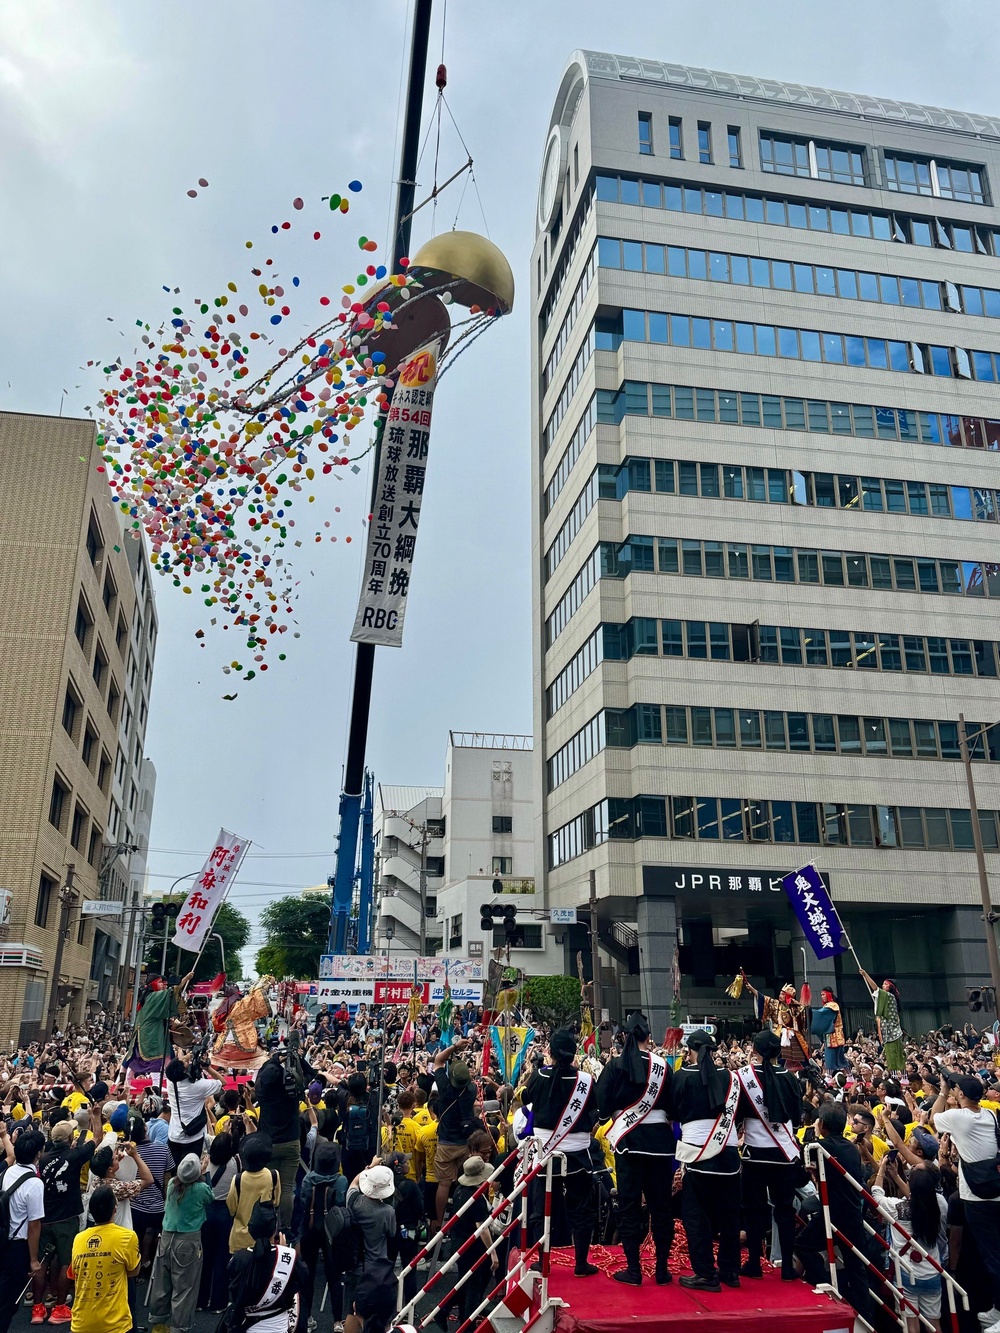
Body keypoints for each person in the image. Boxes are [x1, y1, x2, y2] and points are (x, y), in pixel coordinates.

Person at [595, 1011, 673, 1286]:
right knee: (661, 1208)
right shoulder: (664, 1065)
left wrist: (612, 1116)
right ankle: (662, 1269)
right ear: (648, 1037)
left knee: (628, 1207)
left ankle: (634, 1269)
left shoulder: (616, 1066)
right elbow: (672, 1106)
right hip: (661, 1145)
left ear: (626, 1036)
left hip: (629, 1143)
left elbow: (602, 1104)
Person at [523, 1028, 598, 1278]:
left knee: (540, 1208)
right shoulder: (586, 1080)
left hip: (545, 1151)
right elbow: (594, 1109)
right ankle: (580, 1263)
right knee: (581, 1208)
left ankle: (542, 1261)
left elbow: (525, 1098)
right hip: (577, 1152)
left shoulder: (540, 1076)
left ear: (551, 1053)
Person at [672, 1029, 741, 1292]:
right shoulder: (730, 1078)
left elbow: (674, 1111)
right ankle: (730, 1271)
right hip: (729, 1153)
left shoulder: (680, 1077)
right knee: (730, 1216)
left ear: (690, 1050)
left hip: (697, 1153)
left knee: (696, 1216)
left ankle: (705, 1273)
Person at [931, 1074, 1000, 1332]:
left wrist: (942, 1090)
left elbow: (930, 1117)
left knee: (992, 1255)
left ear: (960, 1093)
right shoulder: (989, 1115)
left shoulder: (959, 1118)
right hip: (994, 1187)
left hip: (976, 1198)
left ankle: (999, 1310)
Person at [736, 1029, 803, 1281]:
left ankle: (754, 1262)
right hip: (783, 1155)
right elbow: (796, 1117)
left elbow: (739, 1113)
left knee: (753, 1210)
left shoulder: (745, 1077)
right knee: (784, 1211)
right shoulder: (790, 1078)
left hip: (754, 1155)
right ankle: (787, 1267)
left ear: (755, 1050)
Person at [796, 1101, 872, 1322]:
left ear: (823, 1125)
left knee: (801, 1245)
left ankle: (826, 1285)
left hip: (834, 1213)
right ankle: (866, 1317)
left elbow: (802, 1175)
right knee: (857, 1268)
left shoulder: (819, 1148)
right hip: (853, 1212)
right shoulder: (851, 1147)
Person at [34, 1117, 97, 1323]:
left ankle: (37, 1308)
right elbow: (96, 1138)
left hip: (44, 1218)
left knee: (42, 1263)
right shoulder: (74, 1155)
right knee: (65, 1263)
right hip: (67, 1219)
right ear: (69, 1137)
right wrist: (94, 1118)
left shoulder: (42, 1158)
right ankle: (60, 1308)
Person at [148, 1152, 212, 1333]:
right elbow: (211, 1197)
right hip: (188, 1240)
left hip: (166, 1237)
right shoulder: (200, 1188)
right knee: (184, 1289)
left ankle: (158, 1325)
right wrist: (205, 1173)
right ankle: (178, 1328)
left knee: (162, 1284)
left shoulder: (171, 1184)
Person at [254, 1045, 316, 1231]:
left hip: (269, 1143)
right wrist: (297, 1057)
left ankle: (269, 1224)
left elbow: (261, 1076)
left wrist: (274, 1059)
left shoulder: (263, 1093)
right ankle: (285, 1226)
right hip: (291, 1141)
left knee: (269, 1186)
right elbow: (310, 1073)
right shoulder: (294, 1092)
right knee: (287, 1188)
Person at [227, 1201, 309, 1333]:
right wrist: (283, 1252)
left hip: (247, 1325)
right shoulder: (289, 1257)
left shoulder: (239, 1258)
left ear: (250, 1229)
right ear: (275, 1230)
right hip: (279, 1326)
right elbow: (302, 1281)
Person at [67, 1185, 139, 1333]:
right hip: (115, 1324)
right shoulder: (127, 1236)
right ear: (115, 1209)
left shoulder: (78, 1239)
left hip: (81, 1323)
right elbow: (133, 1271)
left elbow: (74, 1274)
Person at [297, 1141, 349, 1325]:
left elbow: (302, 1202)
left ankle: (307, 1318)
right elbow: (342, 1204)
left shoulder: (307, 1179)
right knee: (334, 1276)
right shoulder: (341, 1181)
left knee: (308, 1275)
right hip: (332, 1232)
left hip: (309, 1230)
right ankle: (337, 1321)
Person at [0, 1130, 45, 1333]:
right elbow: (34, 1224)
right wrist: (34, 1260)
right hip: (18, 1245)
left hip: (2, 1238)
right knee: (9, 1301)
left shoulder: (8, 1172)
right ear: (39, 1153)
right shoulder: (34, 1183)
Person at [432, 1037, 477, 1230]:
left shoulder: (444, 1085)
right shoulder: (471, 1090)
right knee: (463, 1183)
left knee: (444, 1184)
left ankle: (438, 1222)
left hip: (445, 1142)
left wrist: (455, 1047)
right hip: (464, 1142)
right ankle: (462, 1222)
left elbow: (438, 1061)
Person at [198, 1132, 237, 1312]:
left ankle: (200, 1300)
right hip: (225, 1212)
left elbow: (207, 1137)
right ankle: (218, 1302)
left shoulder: (204, 1163)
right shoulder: (235, 1163)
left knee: (205, 1257)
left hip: (206, 1211)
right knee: (222, 1258)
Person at [227, 1132, 280, 1254]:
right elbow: (276, 1202)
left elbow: (231, 1208)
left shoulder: (238, 1179)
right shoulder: (273, 1176)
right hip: (266, 1239)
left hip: (240, 1239)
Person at [164, 1057, 222, 1168]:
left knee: (175, 1170)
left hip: (174, 1135)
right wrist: (208, 1068)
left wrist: (188, 1057)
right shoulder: (199, 1086)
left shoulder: (171, 1081)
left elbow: (174, 1067)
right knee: (190, 1171)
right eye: (186, 1063)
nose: (188, 1062)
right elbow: (222, 1082)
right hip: (193, 1138)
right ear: (185, 1071)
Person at [741, 979, 810, 1070]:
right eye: (780, 993)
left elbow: (804, 1016)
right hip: (779, 1033)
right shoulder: (776, 1004)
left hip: (794, 1035)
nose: (780, 996)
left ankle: (806, 1070)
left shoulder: (796, 1007)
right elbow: (764, 998)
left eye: (782, 994)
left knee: (801, 1054)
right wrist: (752, 989)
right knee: (779, 1054)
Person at [860, 968, 906, 1074]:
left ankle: (898, 1077)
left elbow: (875, 988)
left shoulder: (889, 996)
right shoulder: (889, 997)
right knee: (894, 1055)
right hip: (890, 1032)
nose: (882, 986)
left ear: (890, 987)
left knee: (894, 1056)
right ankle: (901, 1076)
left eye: (885, 984)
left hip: (892, 1033)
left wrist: (865, 975)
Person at [811, 988, 848, 1072]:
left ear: (828, 994)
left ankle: (829, 1075)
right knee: (837, 1058)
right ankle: (848, 1075)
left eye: (823, 994)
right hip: (831, 1035)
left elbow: (821, 1014)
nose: (822, 996)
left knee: (832, 1057)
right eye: (821, 995)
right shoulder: (829, 1006)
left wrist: (810, 1012)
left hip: (834, 1034)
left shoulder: (832, 1005)